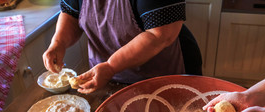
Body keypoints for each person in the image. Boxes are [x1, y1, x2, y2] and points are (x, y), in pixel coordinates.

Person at [43, 0, 202, 94]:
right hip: (104, 78)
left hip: (160, 78)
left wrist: (111, 66)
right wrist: (58, 43)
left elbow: (159, 35)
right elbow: (71, 14)